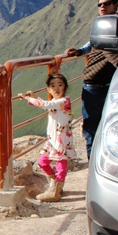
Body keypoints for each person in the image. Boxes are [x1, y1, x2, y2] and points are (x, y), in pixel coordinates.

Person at [64, 0, 118, 159]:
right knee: (91, 128)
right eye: (100, 4)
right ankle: (93, 166)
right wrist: (79, 51)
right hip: (94, 83)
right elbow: (92, 43)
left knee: (113, 126)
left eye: (106, 3)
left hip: (112, 83)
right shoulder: (100, 25)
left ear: (116, 5)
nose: (102, 7)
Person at [19, 73, 77, 202]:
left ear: (65, 87)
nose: (56, 88)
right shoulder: (55, 102)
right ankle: (54, 186)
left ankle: (55, 191)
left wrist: (28, 98)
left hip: (62, 140)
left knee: (61, 164)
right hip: (52, 140)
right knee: (42, 162)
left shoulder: (63, 101)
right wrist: (35, 97)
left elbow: (45, 105)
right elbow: (47, 105)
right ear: (48, 89)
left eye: (60, 85)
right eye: (53, 85)